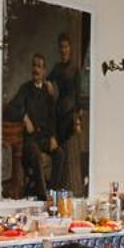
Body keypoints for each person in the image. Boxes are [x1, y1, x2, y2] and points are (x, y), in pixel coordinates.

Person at [3, 52, 58, 198]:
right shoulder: (25, 89)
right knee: (35, 152)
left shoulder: (47, 91)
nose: (36, 70)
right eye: (34, 66)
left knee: (60, 154)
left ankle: (52, 191)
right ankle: (42, 196)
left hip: (44, 138)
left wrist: (53, 136)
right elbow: (9, 109)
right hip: (30, 140)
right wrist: (24, 117)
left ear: (44, 71)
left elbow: (52, 117)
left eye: (39, 67)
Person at [47, 31, 85, 192]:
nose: (64, 50)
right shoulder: (57, 67)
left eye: (66, 46)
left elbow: (78, 93)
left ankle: (68, 188)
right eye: (61, 47)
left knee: (69, 151)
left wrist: (78, 116)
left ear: (70, 48)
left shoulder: (75, 68)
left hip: (71, 114)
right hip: (59, 112)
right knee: (60, 152)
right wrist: (50, 87)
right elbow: (47, 81)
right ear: (59, 49)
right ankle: (57, 188)